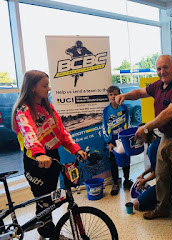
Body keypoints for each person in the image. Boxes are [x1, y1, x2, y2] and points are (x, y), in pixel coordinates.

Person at [115, 54, 172, 233]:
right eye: (158, 68)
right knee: (161, 175)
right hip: (165, 137)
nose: (162, 72)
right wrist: (125, 95)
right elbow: (141, 92)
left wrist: (145, 128)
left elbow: (168, 114)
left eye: (165, 67)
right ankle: (162, 208)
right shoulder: (158, 85)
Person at [11, 70, 87, 240]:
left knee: (50, 200)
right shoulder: (23, 109)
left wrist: (76, 148)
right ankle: (49, 233)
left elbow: (61, 131)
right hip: (35, 161)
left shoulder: (47, 106)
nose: (49, 88)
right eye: (44, 86)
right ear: (32, 88)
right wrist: (39, 154)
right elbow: (29, 132)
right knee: (43, 200)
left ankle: (44, 231)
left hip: (52, 157)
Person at [132, 128, 172, 211]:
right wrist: (144, 173)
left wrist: (144, 180)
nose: (140, 140)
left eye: (140, 137)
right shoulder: (159, 140)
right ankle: (168, 197)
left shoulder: (152, 148)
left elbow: (156, 172)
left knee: (136, 204)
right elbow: (157, 165)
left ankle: (165, 203)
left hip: (166, 183)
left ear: (145, 134)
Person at [102, 86, 133, 196]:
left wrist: (128, 137)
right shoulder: (106, 111)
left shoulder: (125, 108)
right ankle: (115, 183)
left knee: (126, 161)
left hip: (124, 140)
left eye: (115, 94)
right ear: (108, 97)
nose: (113, 96)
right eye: (110, 94)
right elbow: (104, 127)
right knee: (113, 163)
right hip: (112, 142)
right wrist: (108, 142)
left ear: (119, 95)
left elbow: (129, 122)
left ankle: (127, 180)